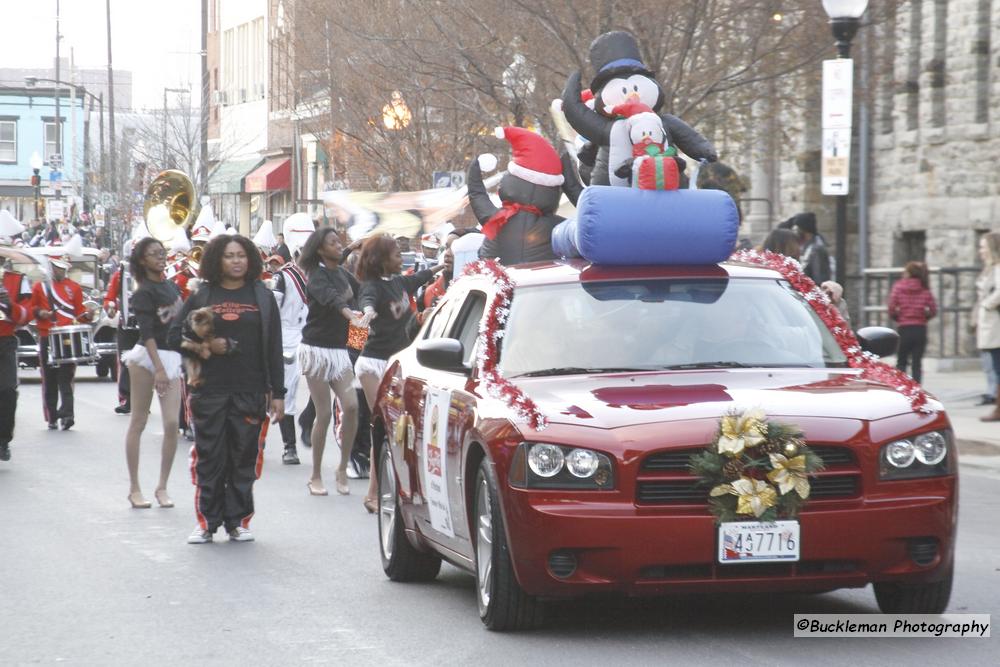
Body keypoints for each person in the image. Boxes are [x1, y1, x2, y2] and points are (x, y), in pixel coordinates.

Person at [167, 234, 285, 544]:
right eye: (230, 255)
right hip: (208, 390)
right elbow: (172, 336)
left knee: (244, 458)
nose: (237, 261)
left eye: (242, 255)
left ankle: (238, 521)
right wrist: (206, 346)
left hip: (252, 389)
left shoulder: (263, 296)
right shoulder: (202, 295)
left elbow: (274, 346)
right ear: (217, 259)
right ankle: (207, 522)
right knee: (209, 458)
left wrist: (279, 393)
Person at [355, 235, 446, 512]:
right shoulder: (370, 287)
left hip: (398, 364)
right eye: (396, 253)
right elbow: (367, 302)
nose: (401, 256)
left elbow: (422, 276)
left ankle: (397, 490)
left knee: (400, 430)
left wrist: (444, 264)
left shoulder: (399, 283)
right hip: (373, 364)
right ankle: (372, 494)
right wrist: (367, 313)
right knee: (381, 427)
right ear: (381, 260)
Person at [297, 228, 361, 497]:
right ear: (321, 250)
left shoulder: (346, 275)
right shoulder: (316, 277)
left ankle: (342, 468)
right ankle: (315, 476)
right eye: (332, 243)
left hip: (340, 351)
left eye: (339, 241)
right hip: (316, 350)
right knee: (323, 413)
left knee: (352, 407)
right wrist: (350, 314)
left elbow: (361, 299)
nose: (339, 245)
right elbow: (336, 302)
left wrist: (359, 343)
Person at [120, 238, 184, 509]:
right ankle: (134, 487)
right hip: (147, 357)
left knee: (171, 423)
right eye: (154, 254)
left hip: (172, 356)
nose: (160, 257)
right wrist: (158, 368)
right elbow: (146, 332)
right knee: (139, 420)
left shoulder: (171, 285)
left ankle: (162, 486)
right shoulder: (143, 292)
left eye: (162, 252)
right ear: (142, 260)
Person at [31, 255, 92, 430]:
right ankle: (51, 416)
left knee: (66, 378)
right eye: (57, 267)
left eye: (63, 268)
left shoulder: (74, 287)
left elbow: (79, 313)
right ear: (51, 268)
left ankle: (67, 415)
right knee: (49, 378)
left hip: (66, 338)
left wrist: (88, 315)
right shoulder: (40, 287)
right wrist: (41, 313)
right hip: (47, 336)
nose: (60, 271)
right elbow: (32, 309)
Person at [270, 253, 309, 465]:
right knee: (287, 390)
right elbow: (272, 310)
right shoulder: (283, 277)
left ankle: (309, 418)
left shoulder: (321, 274)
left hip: (314, 337)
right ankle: (289, 446)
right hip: (287, 338)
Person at [1, 264, 33, 462]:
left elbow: (26, 316)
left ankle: (3, 440)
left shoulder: (17, 280)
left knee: (7, 391)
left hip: (5, 340)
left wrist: (9, 304)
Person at [888, 261, 937, 384]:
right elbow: (933, 309)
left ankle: (902, 388)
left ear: (908, 273)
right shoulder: (924, 288)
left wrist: (898, 317)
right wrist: (924, 317)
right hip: (920, 328)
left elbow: (891, 307)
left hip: (904, 327)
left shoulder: (899, 287)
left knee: (901, 361)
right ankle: (917, 390)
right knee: (917, 362)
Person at [103, 254, 139, 414]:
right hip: (126, 324)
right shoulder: (120, 274)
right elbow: (110, 297)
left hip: (146, 325)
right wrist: (110, 308)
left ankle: (142, 399)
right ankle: (126, 399)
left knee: (146, 364)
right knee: (125, 362)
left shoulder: (153, 273)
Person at [973, 232, 1000, 421]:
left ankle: (998, 409)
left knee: (997, 367)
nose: (980, 250)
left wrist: (986, 304)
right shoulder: (990, 269)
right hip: (989, 323)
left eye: (983, 246)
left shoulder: (998, 268)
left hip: (995, 323)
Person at [787, 212, 831, 285]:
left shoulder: (816, 249)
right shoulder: (806, 247)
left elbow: (819, 280)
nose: (794, 232)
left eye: (797, 228)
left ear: (804, 229)